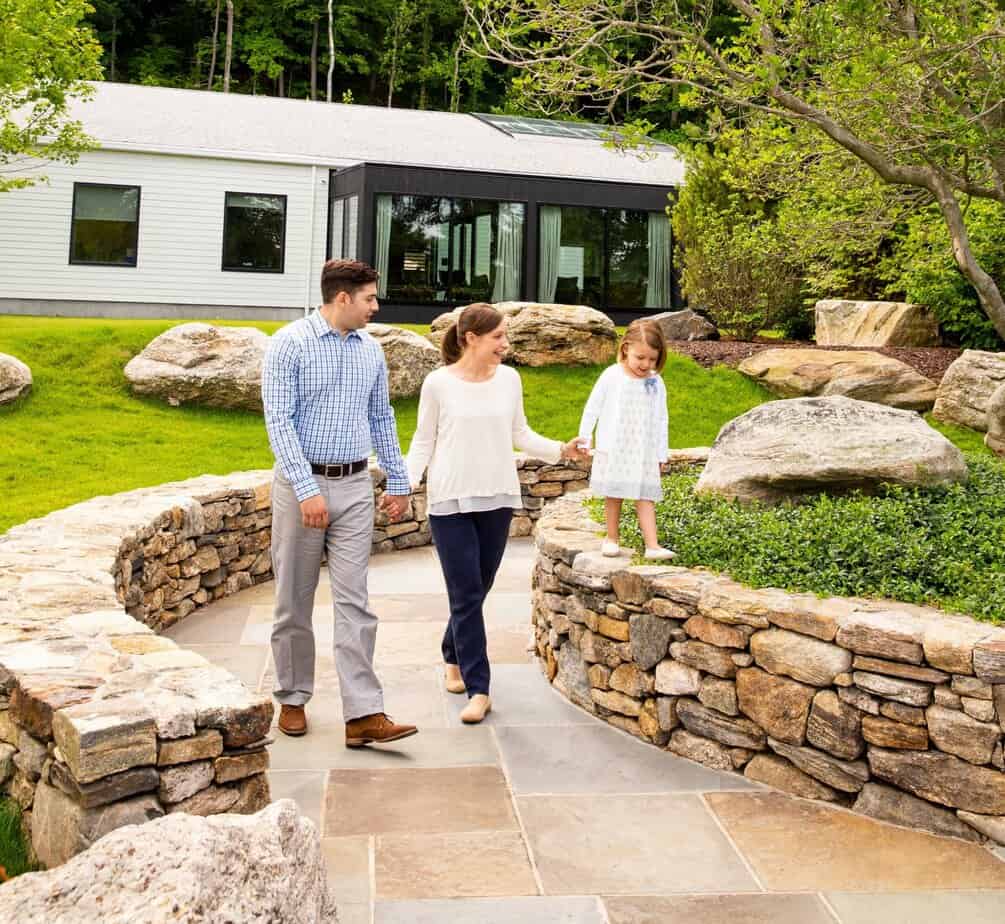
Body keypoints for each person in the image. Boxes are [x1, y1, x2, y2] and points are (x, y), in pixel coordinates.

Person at [261, 258, 418, 747]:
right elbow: (278, 422)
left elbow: (381, 417)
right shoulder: (288, 345)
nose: (377, 306)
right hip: (300, 485)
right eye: (370, 298)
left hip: (353, 486)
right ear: (343, 297)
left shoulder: (371, 350)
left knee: (356, 603)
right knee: (294, 599)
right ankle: (291, 697)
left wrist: (398, 478)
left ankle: (363, 714)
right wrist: (306, 490)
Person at [406, 303, 586, 724]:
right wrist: (404, 483)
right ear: (471, 338)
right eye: (499, 337)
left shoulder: (509, 380)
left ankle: (452, 652)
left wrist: (562, 449)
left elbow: (519, 433)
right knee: (466, 593)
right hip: (449, 503)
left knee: (478, 588)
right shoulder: (437, 384)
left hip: (497, 500)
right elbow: (422, 442)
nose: (506, 344)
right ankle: (479, 687)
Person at [578, 319, 675, 561]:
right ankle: (611, 537)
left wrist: (661, 453)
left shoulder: (655, 382)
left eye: (652, 359)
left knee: (646, 495)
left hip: (643, 449)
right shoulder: (612, 375)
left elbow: (661, 418)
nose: (646, 364)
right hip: (616, 446)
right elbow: (593, 407)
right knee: (615, 492)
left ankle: (652, 545)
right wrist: (585, 436)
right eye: (640, 357)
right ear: (625, 349)